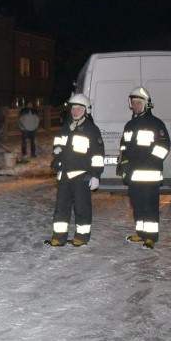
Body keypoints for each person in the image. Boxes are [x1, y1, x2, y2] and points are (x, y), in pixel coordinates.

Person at [44, 94, 104, 247]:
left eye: (79, 108)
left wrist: (96, 175)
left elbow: (98, 155)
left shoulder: (92, 130)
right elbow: (58, 141)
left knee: (82, 209)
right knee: (61, 208)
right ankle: (58, 237)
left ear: (86, 110)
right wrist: (56, 148)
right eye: (73, 108)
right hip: (64, 175)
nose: (75, 111)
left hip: (82, 176)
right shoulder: (66, 127)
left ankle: (82, 237)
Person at [116, 86, 170, 249]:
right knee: (137, 205)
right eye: (134, 103)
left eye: (139, 103)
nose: (136, 106)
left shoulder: (156, 124)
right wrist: (124, 164)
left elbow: (164, 146)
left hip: (150, 175)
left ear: (146, 104)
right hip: (133, 175)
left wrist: (148, 161)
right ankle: (140, 233)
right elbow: (124, 147)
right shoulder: (129, 125)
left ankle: (151, 237)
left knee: (149, 206)